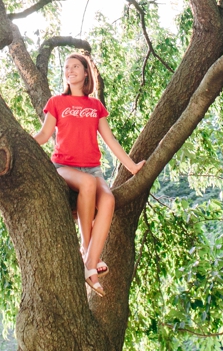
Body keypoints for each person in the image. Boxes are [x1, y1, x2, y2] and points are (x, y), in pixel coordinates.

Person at [30, 51, 144, 296]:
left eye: (74, 67)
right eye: (66, 68)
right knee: (88, 184)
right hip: (64, 168)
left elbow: (110, 140)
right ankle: (86, 248)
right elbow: (43, 135)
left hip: (92, 168)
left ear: (85, 73)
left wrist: (132, 166)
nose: (69, 71)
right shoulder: (56, 102)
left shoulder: (95, 106)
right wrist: (21, 141)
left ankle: (90, 264)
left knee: (109, 199)